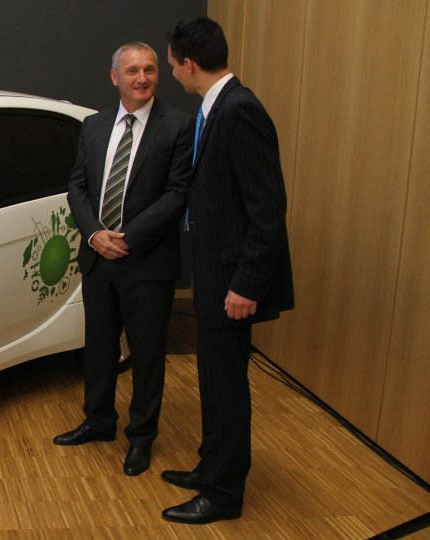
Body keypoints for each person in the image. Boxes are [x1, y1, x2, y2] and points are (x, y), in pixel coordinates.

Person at [161, 17, 294, 524]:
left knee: (227, 388)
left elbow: (268, 209)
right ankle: (210, 466)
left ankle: (223, 493)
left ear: (190, 64)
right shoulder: (215, 107)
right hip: (216, 272)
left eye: (172, 66)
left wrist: (247, 284)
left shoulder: (240, 110)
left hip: (233, 281)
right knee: (214, 382)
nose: (172, 73)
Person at [61, 42, 193, 478]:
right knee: (99, 349)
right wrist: (95, 235)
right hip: (99, 257)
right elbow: (77, 188)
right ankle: (99, 421)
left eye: (150, 69)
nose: (142, 78)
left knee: (147, 356)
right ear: (115, 77)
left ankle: (141, 437)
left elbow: (177, 194)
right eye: (133, 70)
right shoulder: (94, 126)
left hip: (148, 263)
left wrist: (127, 239)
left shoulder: (179, 126)